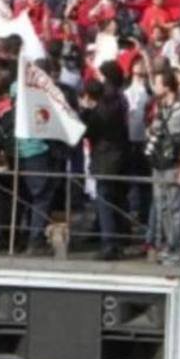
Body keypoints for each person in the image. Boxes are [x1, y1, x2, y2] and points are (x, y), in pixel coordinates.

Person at [147, 70, 180, 263]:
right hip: (159, 163)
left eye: (158, 83)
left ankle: (177, 245)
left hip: (175, 165)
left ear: (167, 86)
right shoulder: (160, 107)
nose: (155, 88)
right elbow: (155, 127)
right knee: (161, 205)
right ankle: (167, 243)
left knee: (176, 206)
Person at [78, 78, 130, 260]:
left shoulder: (97, 114)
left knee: (104, 201)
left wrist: (84, 111)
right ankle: (119, 239)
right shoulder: (116, 106)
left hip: (104, 160)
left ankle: (109, 243)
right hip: (120, 158)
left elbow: (85, 132)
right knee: (115, 200)